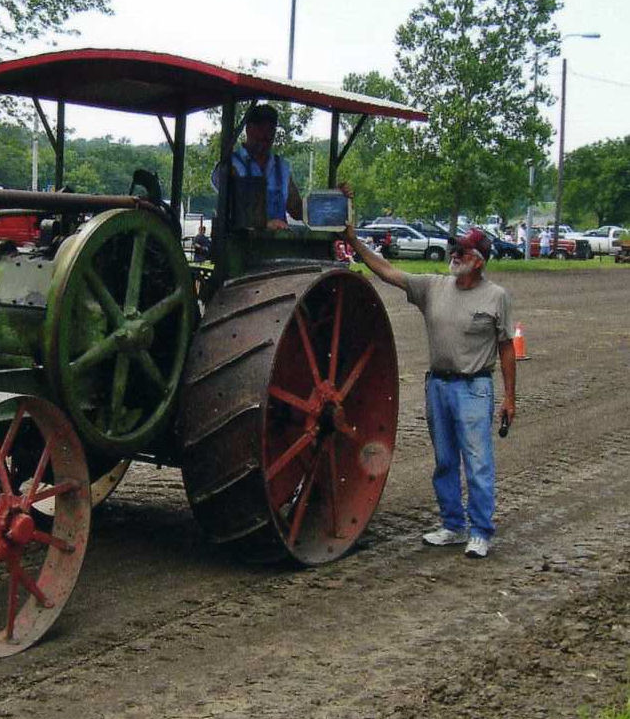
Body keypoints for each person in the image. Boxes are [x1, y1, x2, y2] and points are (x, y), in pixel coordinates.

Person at [341, 224, 516, 558]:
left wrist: (509, 398)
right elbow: (387, 271)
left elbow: (507, 348)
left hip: (474, 387)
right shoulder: (433, 287)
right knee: (445, 460)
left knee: (478, 462)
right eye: (454, 251)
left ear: (478, 261)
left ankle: (480, 531)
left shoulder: (496, 297)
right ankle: (452, 525)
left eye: (462, 252)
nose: (455, 256)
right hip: (438, 385)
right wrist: (354, 242)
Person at [211, 103, 302, 230]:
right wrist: (265, 225)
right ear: (248, 129)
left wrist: (331, 202)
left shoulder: (281, 168)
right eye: (261, 130)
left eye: (271, 130)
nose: (266, 136)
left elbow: (298, 211)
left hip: (278, 247)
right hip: (239, 247)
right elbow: (234, 209)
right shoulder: (230, 165)